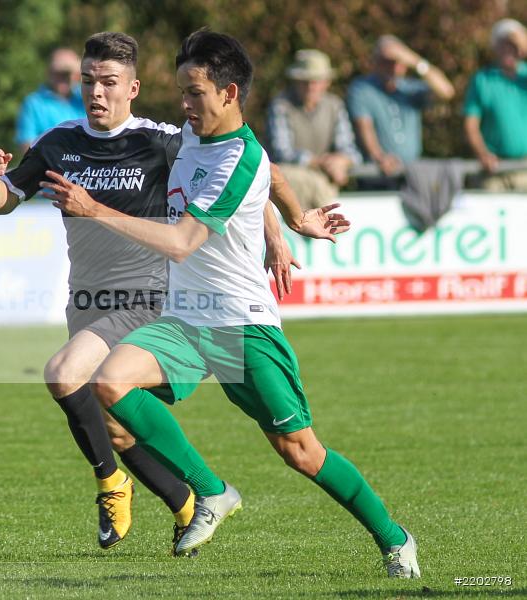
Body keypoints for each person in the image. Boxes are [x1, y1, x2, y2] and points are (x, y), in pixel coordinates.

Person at [45, 29, 419, 579]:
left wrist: (92, 208)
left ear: (229, 93)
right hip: (187, 320)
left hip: (243, 327)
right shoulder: (194, 138)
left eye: (194, 93)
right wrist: (289, 221)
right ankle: (212, 492)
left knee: (301, 453)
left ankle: (393, 538)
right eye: (181, 92)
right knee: (109, 382)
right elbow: (275, 177)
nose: (184, 105)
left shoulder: (237, 155)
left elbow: (183, 239)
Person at [0, 32, 312, 555]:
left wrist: (278, 231)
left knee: (65, 374)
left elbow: (248, 170)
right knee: (113, 424)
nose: (96, 92)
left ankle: (113, 485)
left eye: (108, 82)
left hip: (146, 297)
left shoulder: (161, 140)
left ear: (132, 87)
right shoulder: (58, 143)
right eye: (89, 81)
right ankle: (186, 501)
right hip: (86, 299)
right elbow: (3, 203)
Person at [347, 35, 454, 179]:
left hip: (411, 173)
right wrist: (379, 156)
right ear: (376, 62)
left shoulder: (410, 88)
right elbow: (365, 127)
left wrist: (414, 61)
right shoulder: (362, 89)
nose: (393, 68)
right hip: (377, 173)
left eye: (398, 62)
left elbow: (446, 92)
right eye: (387, 62)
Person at [267, 49, 361, 209]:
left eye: (316, 80)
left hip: (323, 182)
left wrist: (341, 162)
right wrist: (321, 163)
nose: (311, 86)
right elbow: (281, 152)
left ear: (327, 82)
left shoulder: (335, 106)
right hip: (286, 188)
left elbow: (350, 150)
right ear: (296, 81)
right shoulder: (281, 106)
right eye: (305, 80)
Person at [463, 18, 527, 191]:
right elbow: (471, 125)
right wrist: (482, 154)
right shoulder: (483, 80)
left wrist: (522, 43)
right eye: (503, 44)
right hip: (494, 169)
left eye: (512, 45)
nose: (508, 50)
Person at [14, 48, 86, 154]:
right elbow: (26, 145)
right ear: (49, 72)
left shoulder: (85, 97)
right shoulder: (34, 103)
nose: (62, 77)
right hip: (47, 167)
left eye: (67, 73)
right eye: (58, 72)